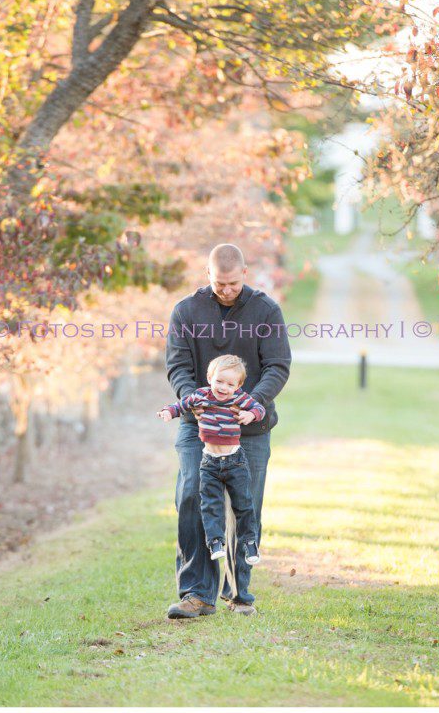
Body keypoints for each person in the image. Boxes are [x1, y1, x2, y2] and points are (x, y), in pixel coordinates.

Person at [165, 244, 291, 619]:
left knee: (244, 506)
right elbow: (178, 366)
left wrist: (250, 405)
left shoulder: (265, 310)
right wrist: (195, 399)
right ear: (207, 275)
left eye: (234, 283)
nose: (227, 290)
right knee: (191, 496)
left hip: (249, 429)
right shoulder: (186, 312)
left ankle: (239, 594)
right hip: (198, 427)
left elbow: (278, 366)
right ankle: (197, 594)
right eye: (220, 283)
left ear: (245, 274)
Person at [159, 354, 266, 566]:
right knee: (210, 504)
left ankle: (249, 542)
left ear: (238, 385)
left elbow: (259, 408)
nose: (223, 387)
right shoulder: (200, 396)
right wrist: (168, 412)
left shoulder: (239, 399)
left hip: (235, 461)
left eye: (230, 384)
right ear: (209, 378)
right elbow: (181, 405)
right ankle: (215, 541)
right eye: (219, 381)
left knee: (243, 503)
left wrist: (250, 415)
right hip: (209, 462)